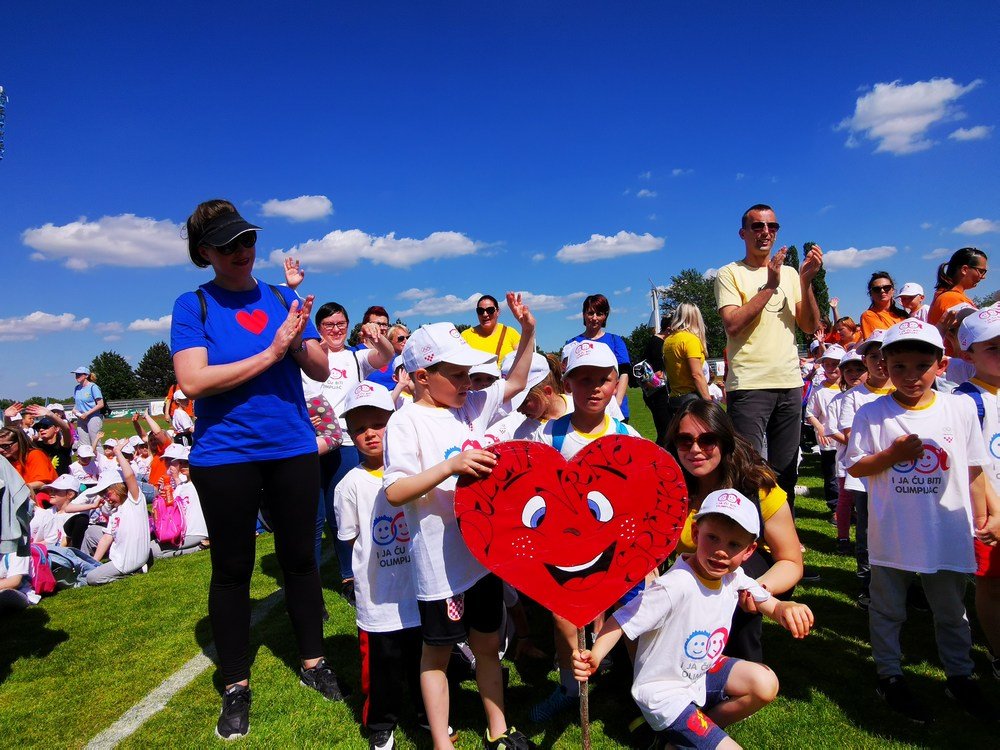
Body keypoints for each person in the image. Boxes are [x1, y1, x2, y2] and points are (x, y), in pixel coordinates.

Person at [171, 199, 339, 740]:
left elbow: (320, 367)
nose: (242, 251)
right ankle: (236, 683)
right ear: (205, 253)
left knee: (300, 559)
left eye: (247, 240)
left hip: (291, 447)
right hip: (225, 455)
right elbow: (193, 382)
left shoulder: (280, 297)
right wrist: (272, 351)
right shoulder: (193, 304)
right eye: (228, 245)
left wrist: (298, 341)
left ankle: (313, 661)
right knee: (232, 569)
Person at [383, 295, 536, 750]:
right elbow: (395, 490)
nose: (468, 382)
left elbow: (517, 381)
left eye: (470, 373)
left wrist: (528, 332)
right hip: (441, 567)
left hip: (482, 559)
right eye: (457, 374)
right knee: (437, 654)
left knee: (487, 647)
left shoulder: (468, 406)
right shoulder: (406, 422)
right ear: (422, 377)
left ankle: (498, 729)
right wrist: (450, 466)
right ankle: (441, 742)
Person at [572, 489, 814, 750]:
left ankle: (685, 739)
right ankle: (685, 736)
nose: (721, 551)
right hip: (664, 692)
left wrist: (783, 608)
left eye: (734, 544)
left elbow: (765, 600)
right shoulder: (674, 586)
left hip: (698, 672)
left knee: (765, 683)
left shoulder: (733, 577)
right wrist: (596, 655)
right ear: (696, 534)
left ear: (749, 551)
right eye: (713, 538)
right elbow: (621, 619)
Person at [846, 318, 994, 723]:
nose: (911, 376)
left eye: (921, 366)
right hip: (893, 532)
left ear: (941, 365)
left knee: (951, 609)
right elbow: (856, 466)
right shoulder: (873, 413)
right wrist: (891, 456)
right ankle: (889, 675)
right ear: (884, 366)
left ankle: (959, 676)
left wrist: (986, 514)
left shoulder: (959, 407)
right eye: (899, 366)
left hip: (947, 530)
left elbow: (974, 466)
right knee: (887, 608)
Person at [526, 340, 643, 722]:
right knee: (563, 615)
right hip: (568, 548)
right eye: (584, 379)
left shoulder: (628, 436)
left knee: (630, 615)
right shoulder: (549, 436)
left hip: (618, 546)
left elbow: (643, 495)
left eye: (602, 379)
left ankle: (642, 691)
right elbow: (535, 488)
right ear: (568, 384)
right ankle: (569, 687)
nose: (594, 388)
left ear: (615, 383)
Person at [664, 399, 804, 662]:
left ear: (724, 441)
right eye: (685, 440)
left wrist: (756, 590)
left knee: (731, 581)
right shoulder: (667, 489)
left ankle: (743, 668)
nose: (695, 449)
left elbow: (792, 561)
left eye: (708, 440)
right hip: (694, 569)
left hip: (753, 568)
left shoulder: (756, 486)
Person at [714, 204, 822, 510]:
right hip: (750, 383)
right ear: (743, 233)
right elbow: (733, 324)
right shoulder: (730, 273)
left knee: (786, 471)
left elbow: (810, 326)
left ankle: (782, 532)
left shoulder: (790, 273)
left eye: (772, 227)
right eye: (758, 226)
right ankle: (750, 531)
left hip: (789, 382)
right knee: (747, 470)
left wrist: (806, 282)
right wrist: (770, 287)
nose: (766, 232)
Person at [334, 383, 424, 750]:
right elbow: (349, 539)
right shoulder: (348, 486)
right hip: (378, 601)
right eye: (360, 428)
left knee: (425, 662)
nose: (370, 433)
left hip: (419, 594)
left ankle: (428, 715)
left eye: (379, 424)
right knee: (381, 669)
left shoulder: (416, 473)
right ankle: (381, 725)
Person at [303, 300, 394, 602]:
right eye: (329, 325)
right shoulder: (306, 355)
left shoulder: (356, 357)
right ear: (319, 328)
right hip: (311, 443)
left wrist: (378, 335)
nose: (336, 330)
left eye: (341, 323)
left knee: (341, 513)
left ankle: (348, 577)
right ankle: (311, 589)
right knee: (313, 518)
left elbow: (386, 355)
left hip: (344, 442)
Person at [954, 310, 1000, 681]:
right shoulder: (966, 401)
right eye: (992, 347)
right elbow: (973, 464)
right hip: (990, 510)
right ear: (968, 354)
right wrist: (991, 514)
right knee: (993, 584)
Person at [836, 330, 893, 609]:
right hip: (866, 476)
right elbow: (851, 435)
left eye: (885, 356)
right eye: (873, 356)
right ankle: (868, 583)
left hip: (903, 475)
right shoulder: (854, 397)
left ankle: (906, 583)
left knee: (903, 529)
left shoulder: (905, 390)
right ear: (865, 361)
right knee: (868, 530)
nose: (880, 362)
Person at [84, 441, 152, 586]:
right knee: (91, 532)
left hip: (128, 560)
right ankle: (88, 564)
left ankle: (132, 572)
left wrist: (117, 452)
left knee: (92, 578)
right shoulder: (116, 510)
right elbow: (106, 538)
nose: (106, 498)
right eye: (103, 495)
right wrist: (94, 563)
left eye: (108, 493)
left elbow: (129, 476)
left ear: (118, 487)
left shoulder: (134, 500)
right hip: (121, 556)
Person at [824, 351, 868, 556]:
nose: (854, 374)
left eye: (859, 369)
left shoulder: (874, 398)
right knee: (846, 500)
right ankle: (843, 538)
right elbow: (832, 429)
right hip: (846, 460)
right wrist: (856, 443)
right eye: (849, 370)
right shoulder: (837, 400)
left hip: (872, 460)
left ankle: (868, 540)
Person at [566, 294, 633, 421]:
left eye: (599, 314)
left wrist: (617, 403)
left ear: (605, 316)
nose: (594, 318)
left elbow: (624, 373)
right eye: (590, 313)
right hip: (582, 411)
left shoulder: (615, 341)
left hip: (614, 410)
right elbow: (568, 377)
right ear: (584, 314)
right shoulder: (573, 343)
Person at [805, 345, 846, 515]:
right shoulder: (819, 390)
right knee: (831, 475)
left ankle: (851, 507)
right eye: (827, 364)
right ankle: (835, 507)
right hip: (828, 442)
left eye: (835, 364)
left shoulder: (849, 389)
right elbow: (810, 413)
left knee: (848, 473)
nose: (831, 368)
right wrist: (820, 428)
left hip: (847, 440)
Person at [149, 444, 209, 558]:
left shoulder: (200, 484)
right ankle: (199, 546)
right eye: (181, 462)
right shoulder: (181, 486)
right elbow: (170, 507)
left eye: (187, 462)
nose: (183, 465)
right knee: (151, 548)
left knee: (154, 551)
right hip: (179, 531)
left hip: (196, 532)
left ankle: (199, 547)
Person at [929, 247, 990, 354]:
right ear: (964, 269)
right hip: (959, 360)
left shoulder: (949, 295)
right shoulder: (952, 298)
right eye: (981, 271)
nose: (983, 277)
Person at [661, 303, 711, 429]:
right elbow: (697, 374)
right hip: (692, 400)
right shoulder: (690, 340)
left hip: (674, 399)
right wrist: (709, 401)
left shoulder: (668, 341)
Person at [462, 294, 522, 363]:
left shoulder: (510, 333)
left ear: (498, 312)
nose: (485, 314)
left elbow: (524, 358)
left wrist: (527, 326)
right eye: (480, 311)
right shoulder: (465, 336)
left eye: (490, 310)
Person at [640, 316, 672, 445]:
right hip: (658, 393)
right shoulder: (658, 344)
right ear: (669, 329)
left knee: (665, 430)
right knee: (666, 431)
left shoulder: (654, 342)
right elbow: (658, 373)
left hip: (655, 393)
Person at [0, 425, 56, 496]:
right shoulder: (5, 460)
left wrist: (14, 489)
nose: (1, 450)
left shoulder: (35, 455)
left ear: (20, 442)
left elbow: (41, 483)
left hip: (45, 497)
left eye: (6, 446)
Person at [859, 272, 908, 339]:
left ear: (893, 290)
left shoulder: (903, 314)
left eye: (886, 287)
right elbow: (881, 340)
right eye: (876, 289)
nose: (882, 291)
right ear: (870, 293)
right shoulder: (868, 315)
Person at [72, 367, 105, 445]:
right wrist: (74, 409)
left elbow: (100, 404)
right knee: (83, 444)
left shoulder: (93, 387)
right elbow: (78, 402)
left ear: (86, 375)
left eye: (79, 374)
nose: (77, 376)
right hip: (81, 418)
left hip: (93, 417)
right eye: (76, 374)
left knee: (95, 443)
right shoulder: (77, 388)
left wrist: (87, 413)